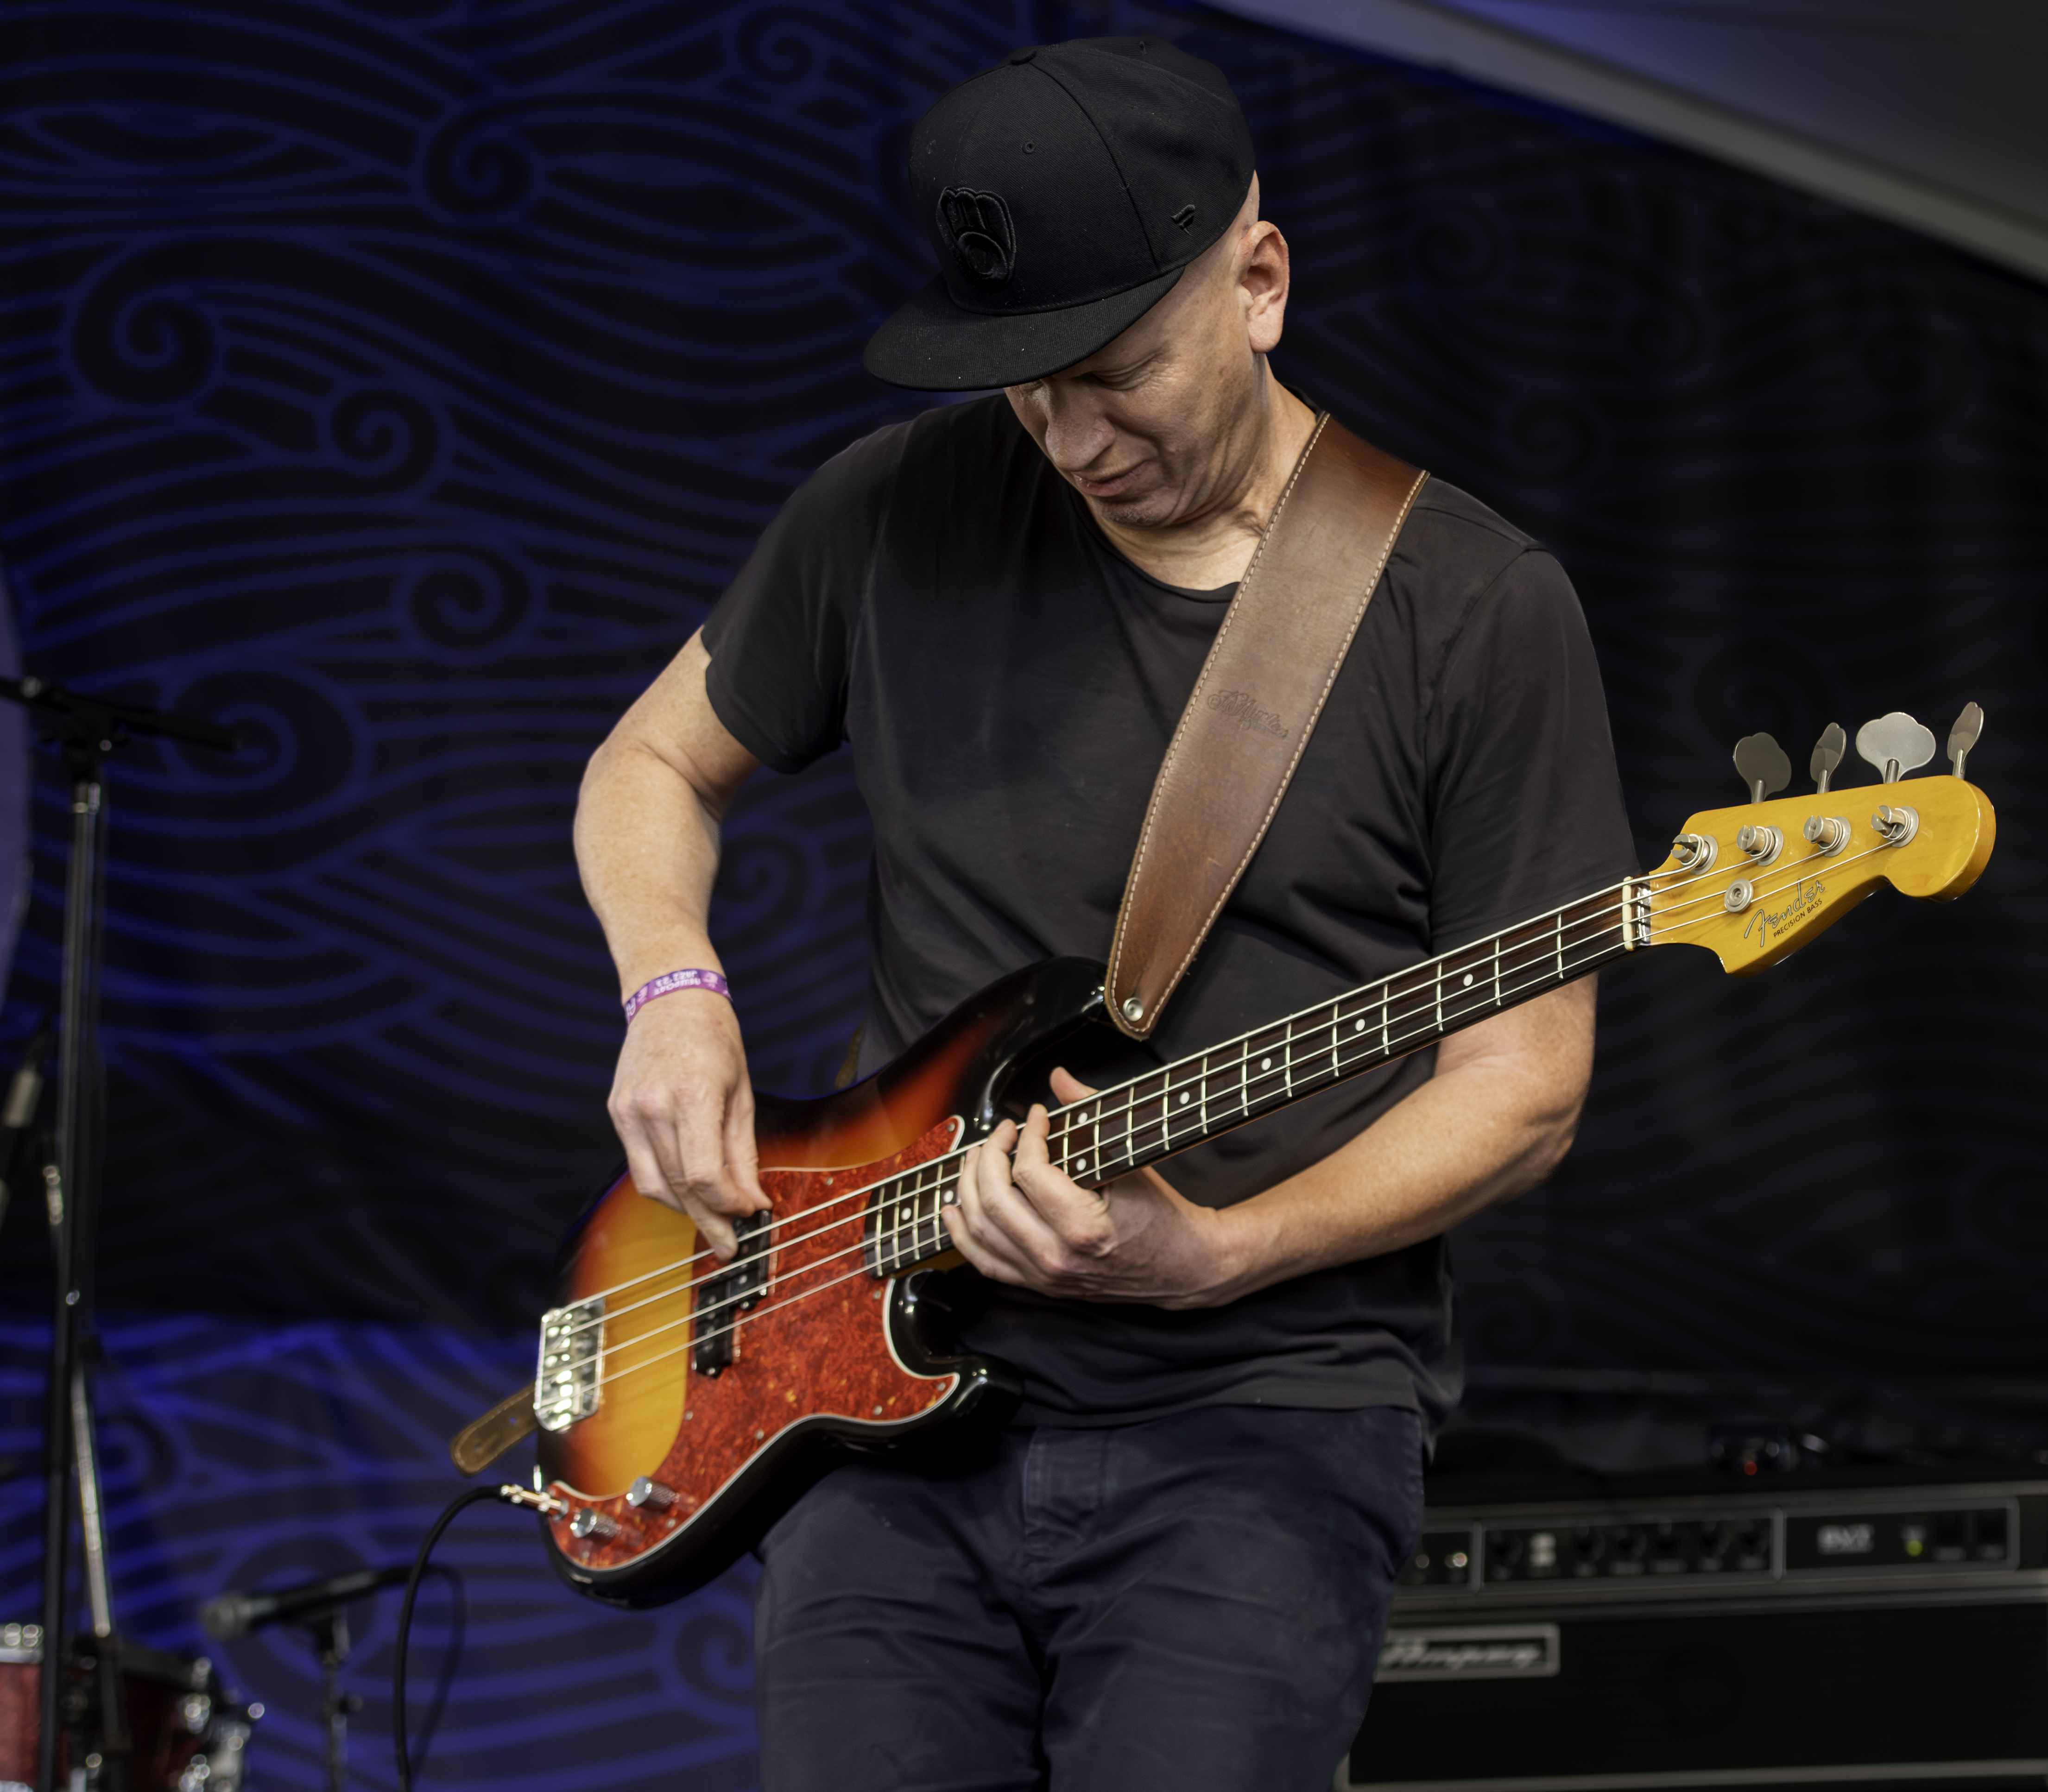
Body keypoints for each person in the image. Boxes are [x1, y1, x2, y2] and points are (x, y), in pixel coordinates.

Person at [574, 35, 1635, 1792]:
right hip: (876, 1395)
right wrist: (670, 988)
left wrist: (1219, 1248)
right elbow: (645, 766)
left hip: (1262, 1421)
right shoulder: (894, 504)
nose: (1070, 439)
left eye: (1114, 372)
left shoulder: (1471, 607)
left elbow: (1523, 1083)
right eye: (1024, 386)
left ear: (1260, 281)